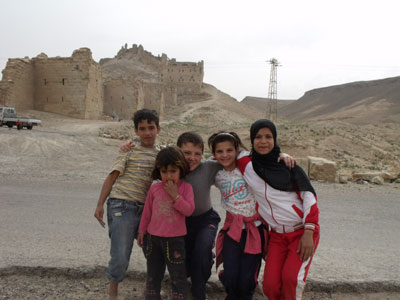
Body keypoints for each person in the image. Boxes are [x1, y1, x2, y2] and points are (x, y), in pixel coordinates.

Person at [237, 119, 320, 300]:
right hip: (276, 236)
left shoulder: (288, 166)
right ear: (252, 140)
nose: (263, 141)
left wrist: (309, 232)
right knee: (270, 286)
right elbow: (225, 152)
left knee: (291, 280)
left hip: (302, 232)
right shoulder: (247, 165)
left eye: (268, 136)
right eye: (258, 137)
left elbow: (309, 197)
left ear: (275, 139)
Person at [94, 109, 160, 300]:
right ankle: (113, 294)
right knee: (120, 256)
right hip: (121, 206)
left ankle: (151, 290)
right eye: (142, 128)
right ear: (136, 131)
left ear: (158, 129)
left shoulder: (160, 155)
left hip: (147, 211)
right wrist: (100, 204)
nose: (147, 132)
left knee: (154, 254)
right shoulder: (128, 150)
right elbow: (113, 175)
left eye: (151, 128)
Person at [208, 131, 267, 300]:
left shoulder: (249, 167)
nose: (225, 155)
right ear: (214, 154)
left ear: (237, 150)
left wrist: (283, 156)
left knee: (247, 280)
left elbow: (267, 157)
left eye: (229, 150)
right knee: (232, 275)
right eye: (220, 151)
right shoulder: (216, 174)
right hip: (232, 231)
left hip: (254, 229)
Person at [137, 146, 195, 300]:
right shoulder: (155, 188)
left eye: (173, 171)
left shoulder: (186, 188)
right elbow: (147, 212)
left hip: (175, 240)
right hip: (153, 239)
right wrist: (142, 231)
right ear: (159, 171)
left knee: (178, 274)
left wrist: (175, 196)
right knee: (153, 273)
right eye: (164, 171)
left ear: (181, 170)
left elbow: (189, 210)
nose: (168, 176)